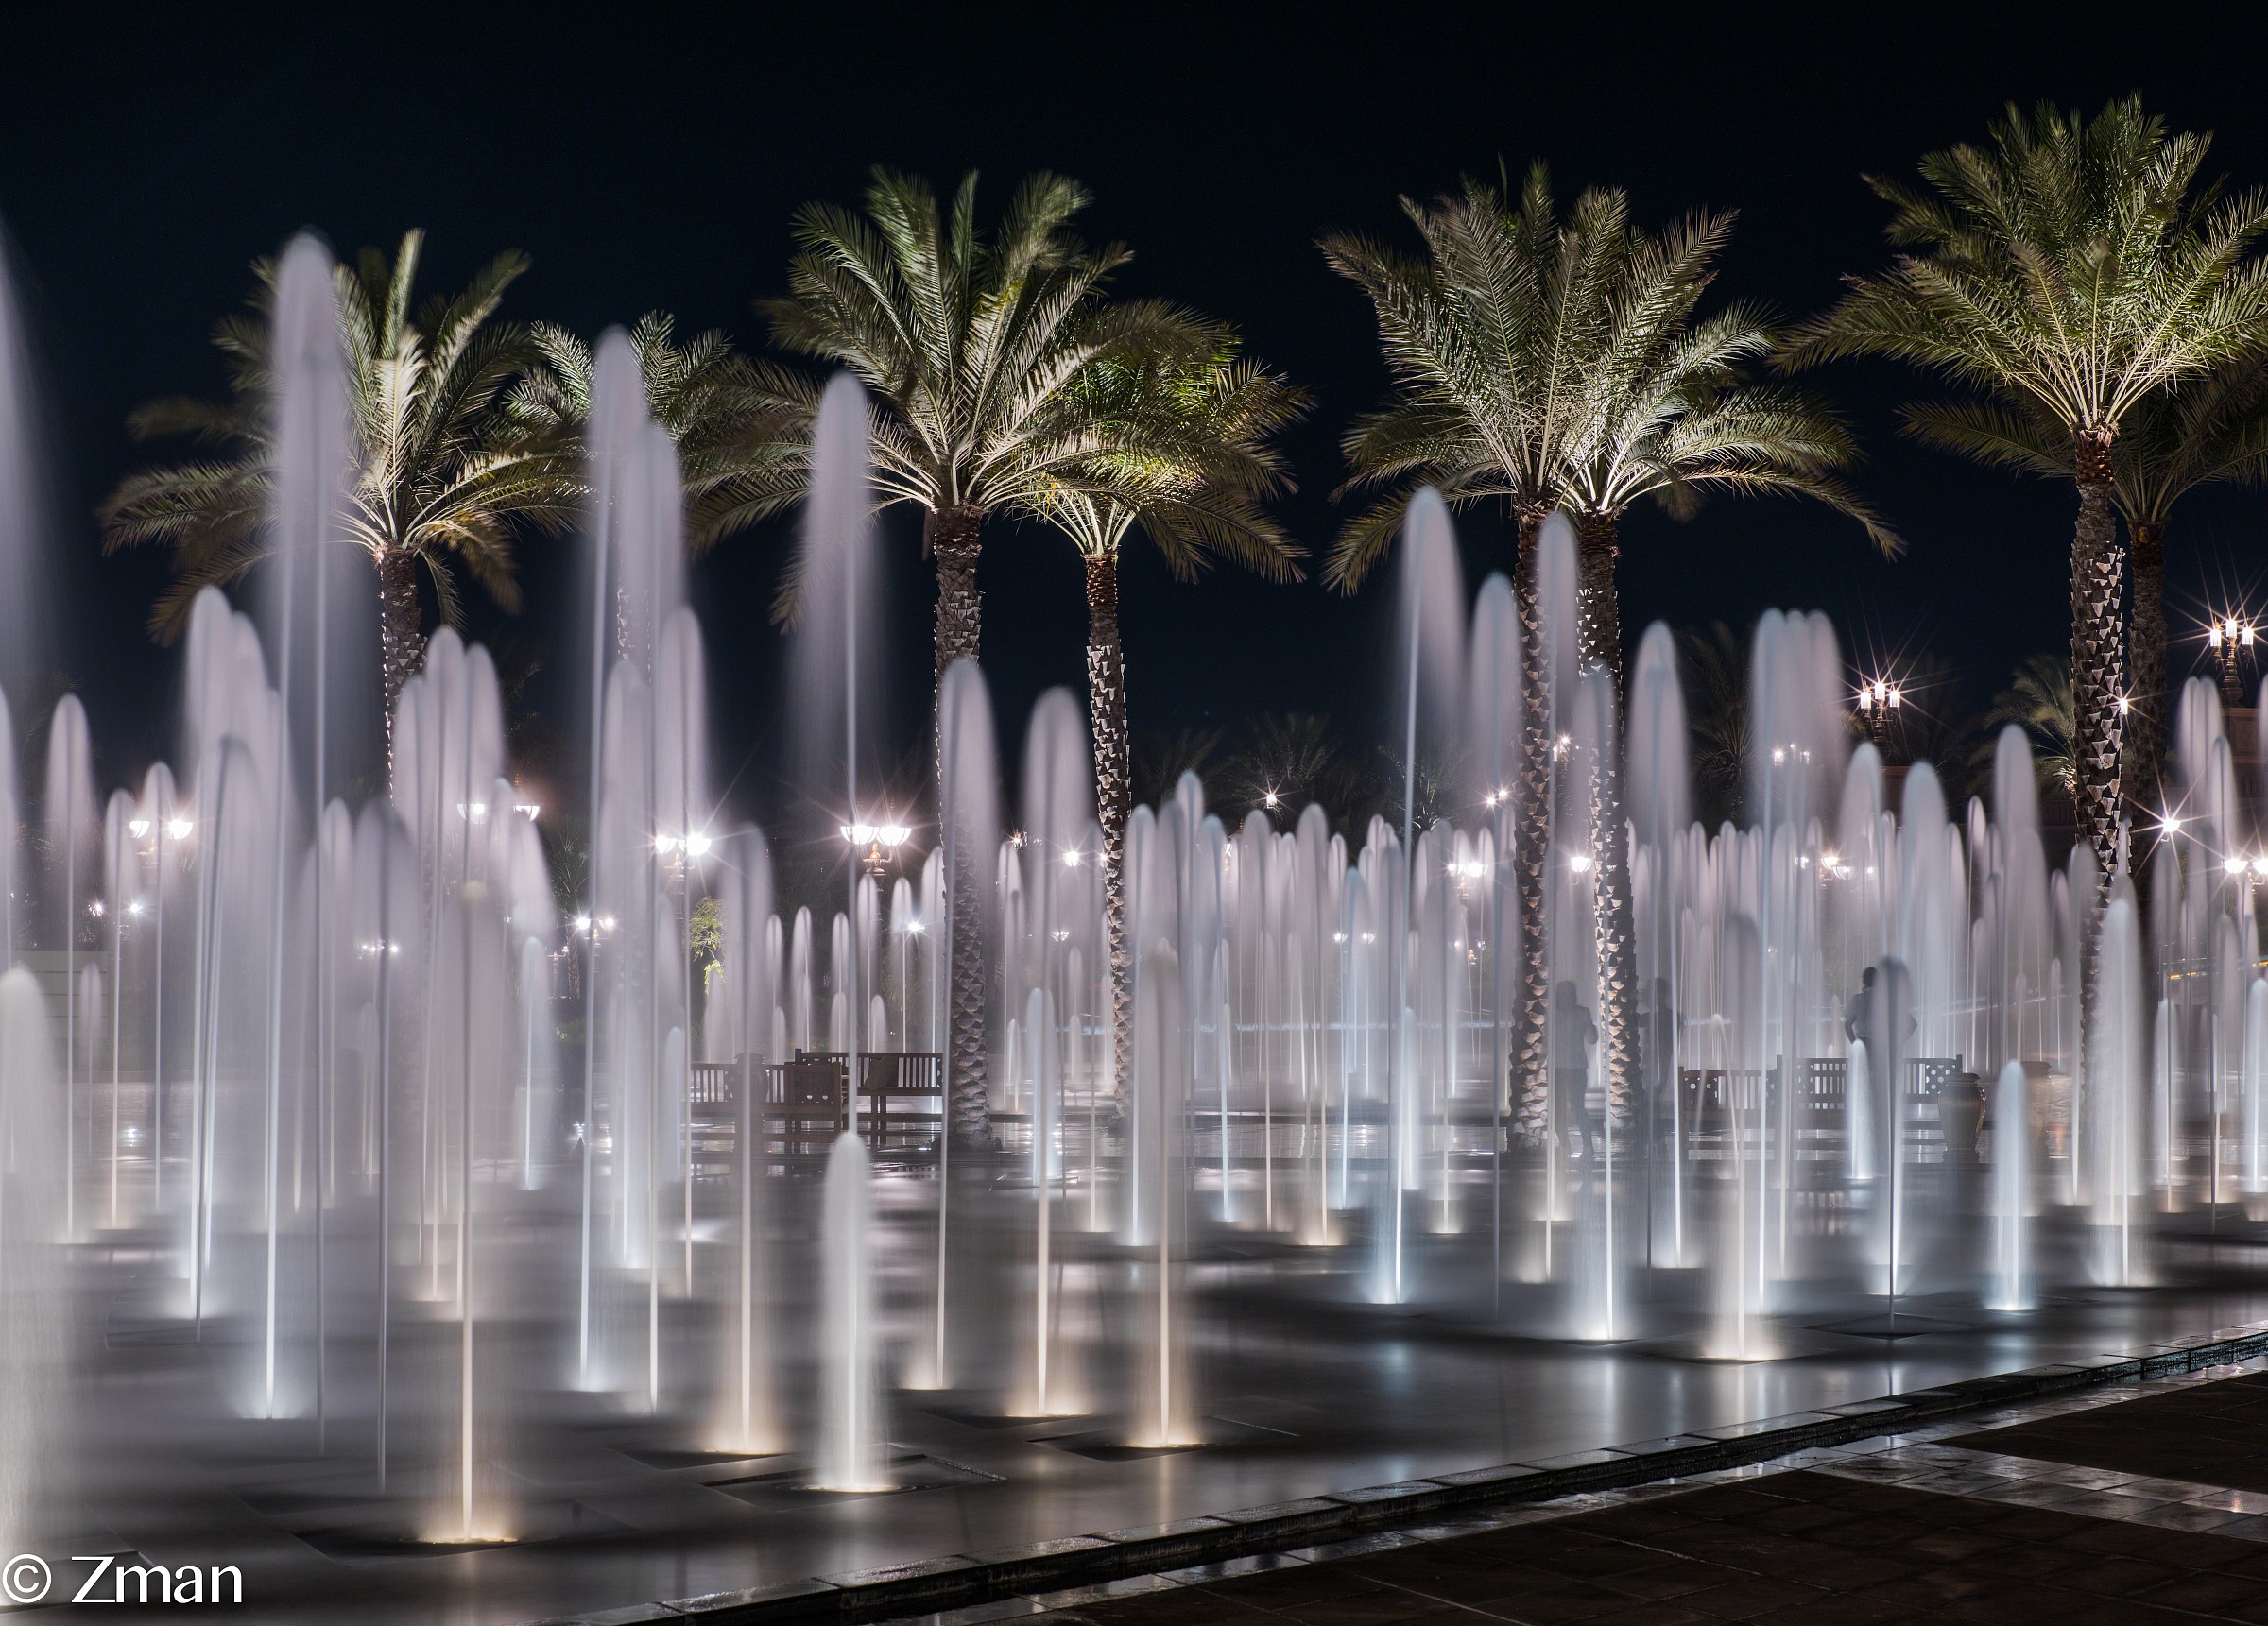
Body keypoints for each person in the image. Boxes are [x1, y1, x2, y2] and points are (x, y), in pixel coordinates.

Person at [1552, 980, 1598, 1160]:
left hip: (1564, 1068)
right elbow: (1592, 1039)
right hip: (1573, 1067)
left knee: (1564, 1109)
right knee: (1577, 1108)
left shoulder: (1555, 1015)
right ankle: (1582, 1145)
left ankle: (1569, 1145)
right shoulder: (1581, 1013)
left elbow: (1591, 1039)